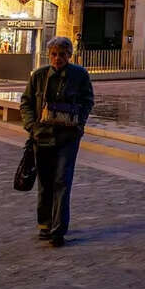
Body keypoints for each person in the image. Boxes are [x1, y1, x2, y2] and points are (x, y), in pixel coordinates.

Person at [19, 36, 94, 247]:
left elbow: (88, 100)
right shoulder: (39, 75)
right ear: (48, 55)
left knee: (62, 180)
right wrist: (31, 126)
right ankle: (44, 223)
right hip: (41, 135)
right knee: (45, 181)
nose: (57, 58)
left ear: (69, 55)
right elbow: (26, 102)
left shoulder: (79, 75)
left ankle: (58, 229)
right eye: (54, 54)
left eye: (62, 54)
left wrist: (79, 123)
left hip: (67, 136)